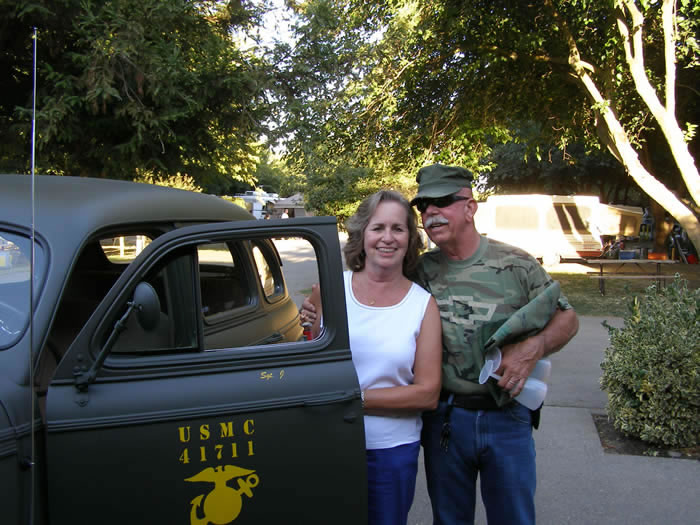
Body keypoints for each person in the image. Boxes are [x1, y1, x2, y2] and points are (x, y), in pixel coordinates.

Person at [410, 163, 579, 525]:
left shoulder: (516, 264)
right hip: (446, 419)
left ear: (470, 207)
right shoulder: (419, 271)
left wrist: (533, 348)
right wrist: (318, 300)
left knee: (513, 518)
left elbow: (567, 318)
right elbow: (370, 287)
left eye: (442, 201)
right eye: (423, 206)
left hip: (508, 416)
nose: (431, 212)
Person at [301, 190, 442, 525]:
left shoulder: (422, 305)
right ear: (362, 234)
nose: (387, 238)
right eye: (378, 228)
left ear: (410, 239)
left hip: (390, 452)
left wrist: (353, 398)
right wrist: (306, 327)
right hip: (329, 442)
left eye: (398, 228)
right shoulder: (329, 290)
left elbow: (427, 393)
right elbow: (308, 368)